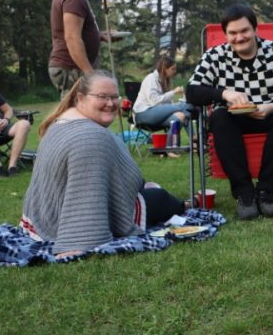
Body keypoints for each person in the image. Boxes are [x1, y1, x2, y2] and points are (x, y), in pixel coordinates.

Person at [21, 73, 188, 257]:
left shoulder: (61, 122)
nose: (110, 103)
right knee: (160, 198)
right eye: (102, 97)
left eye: (115, 97)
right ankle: (187, 204)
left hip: (43, 218)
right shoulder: (90, 136)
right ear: (81, 98)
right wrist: (78, 241)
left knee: (150, 191)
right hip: (61, 222)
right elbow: (85, 198)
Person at [186, 4, 273, 220]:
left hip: (269, 115)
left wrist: (271, 106)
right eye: (233, 33)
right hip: (233, 119)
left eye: (244, 31)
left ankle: (266, 192)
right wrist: (224, 93)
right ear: (225, 34)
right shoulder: (215, 56)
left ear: (255, 29)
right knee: (219, 116)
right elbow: (192, 91)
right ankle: (245, 194)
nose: (239, 37)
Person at [48, 0, 109, 98]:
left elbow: (73, 31)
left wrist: (98, 36)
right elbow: (72, 37)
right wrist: (89, 73)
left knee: (80, 114)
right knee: (77, 116)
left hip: (72, 67)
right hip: (71, 68)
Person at [133, 56, 190, 150]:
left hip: (157, 115)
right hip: (143, 114)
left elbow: (165, 104)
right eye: (172, 69)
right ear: (164, 69)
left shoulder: (163, 81)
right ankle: (195, 138)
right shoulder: (151, 79)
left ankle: (170, 148)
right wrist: (174, 92)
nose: (174, 71)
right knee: (184, 107)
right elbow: (154, 101)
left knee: (180, 116)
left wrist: (173, 106)